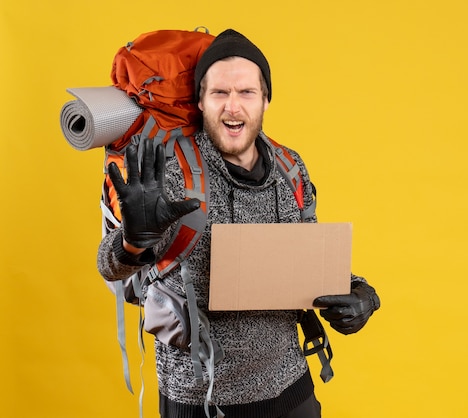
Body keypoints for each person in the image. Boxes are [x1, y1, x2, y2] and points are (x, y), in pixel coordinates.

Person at [97, 28, 381, 418]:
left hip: (290, 389)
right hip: (198, 401)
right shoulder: (171, 172)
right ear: (200, 101)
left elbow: (308, 261)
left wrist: (359, 292)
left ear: (265, 99)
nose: (233, 107)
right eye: (220, 93)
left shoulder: (290, 168)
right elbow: (107, 265)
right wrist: (132, 243)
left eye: (246, 92)